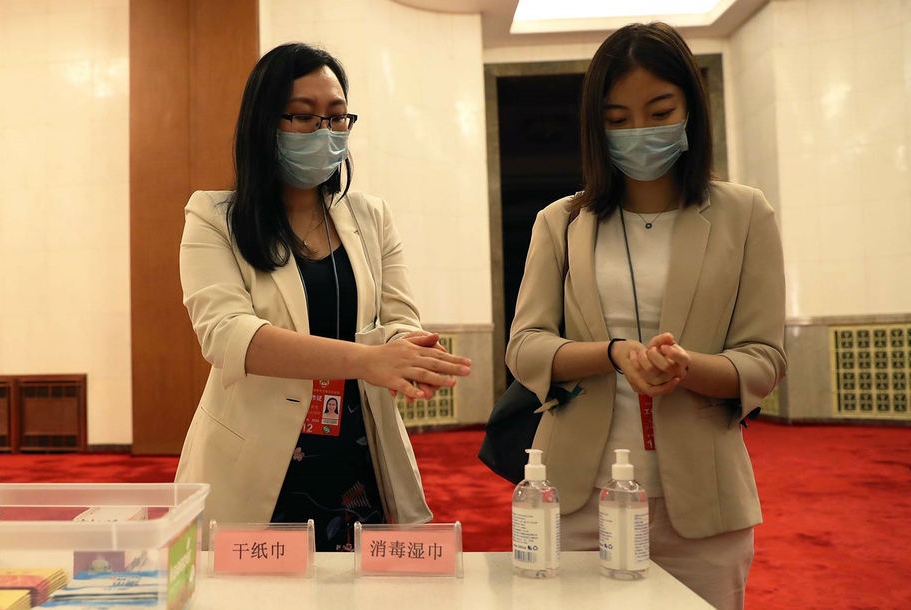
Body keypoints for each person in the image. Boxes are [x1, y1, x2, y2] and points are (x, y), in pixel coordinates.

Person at [505, 23, 786, 610]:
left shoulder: (744, 214)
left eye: (659, 112)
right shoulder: (561, 222)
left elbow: (764, 358)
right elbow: (525, 345)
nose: (640, 132)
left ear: (691, 110)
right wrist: (613, 354)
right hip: (573, 496)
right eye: (618, 119)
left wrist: (688, 367)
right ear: (596, 126)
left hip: (705, 501)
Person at [176, 42, 471, 552]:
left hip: (357, 453)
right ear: (264, 123)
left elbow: (399, 317)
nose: (325, 132)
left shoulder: (371, 216)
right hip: (259, 462)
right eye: (303, 116)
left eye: (337, 118)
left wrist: (412, 353)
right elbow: (228, 337)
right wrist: (370, 360)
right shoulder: (213, 216)